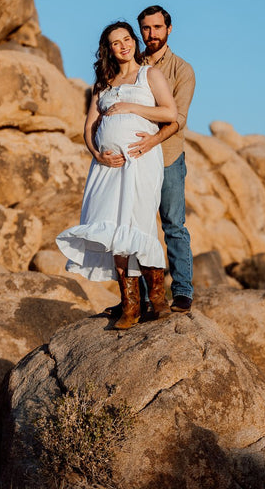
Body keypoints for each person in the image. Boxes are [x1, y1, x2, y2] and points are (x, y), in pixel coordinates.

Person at [56, 21, 177, 329]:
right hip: (107, 168)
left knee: (139, 224)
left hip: (141, 160)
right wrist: (98, 154)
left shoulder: (150, 75)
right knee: (113, 229)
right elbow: (89, 129)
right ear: (107, 49)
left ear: (134, 42)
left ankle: (159, 300)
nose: (122, 45)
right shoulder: (104, 84)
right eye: (114, 42)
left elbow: (169, 114)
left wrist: (130, 108)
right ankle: (130, 305)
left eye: (126, 39)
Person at [127, 5, 196, 313]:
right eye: (145, 28)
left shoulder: (182, 70)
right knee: (137, 228)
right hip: (135, 159)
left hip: (167, 156)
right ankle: (141, 298)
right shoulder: (130, 65)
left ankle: (182, 292)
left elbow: (178, 119)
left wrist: (152, 141)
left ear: (169, 29)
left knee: (173, 226)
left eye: (157, 27)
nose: (151, 34)